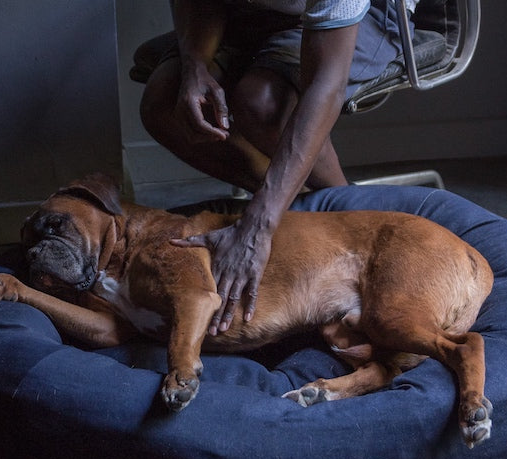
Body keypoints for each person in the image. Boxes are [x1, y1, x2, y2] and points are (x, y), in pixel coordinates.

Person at [140, 0, 415, 335]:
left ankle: (352, 220)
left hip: (374, 14)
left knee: (263, 105)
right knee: (163, 104)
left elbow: (326, 85)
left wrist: (259, 225)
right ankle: (295, 213)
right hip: (246, 14)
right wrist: (195, 65)